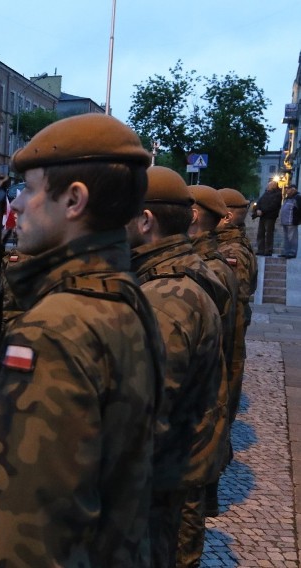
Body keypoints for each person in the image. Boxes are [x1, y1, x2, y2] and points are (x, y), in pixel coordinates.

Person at [0, 113, 164, 567]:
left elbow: (21, 540)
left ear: (74, 200)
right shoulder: (125, 296)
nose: (16, 204)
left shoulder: (53, 331)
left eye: (31, 189)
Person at [125, 167, 225, 567]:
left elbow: (145, 413)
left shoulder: (165, 297)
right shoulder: (172, 278)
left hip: (164, 475)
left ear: (145, 221)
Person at [179, 184, 238, 566]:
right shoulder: (209, 267)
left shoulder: (201, 274)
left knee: (183, 506)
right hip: (199, 417)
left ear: (194, 215)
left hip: (187, 430)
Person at [217, 187, 259, 423]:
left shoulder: (231, 250)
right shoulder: (234, 242)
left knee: (230, 370)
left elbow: (237, 298)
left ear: (227, 217)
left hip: (235, 320)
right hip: (237, 316)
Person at [252, 180, 281, 255]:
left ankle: (268, 250)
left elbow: (273, 206)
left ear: (273, 186)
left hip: (270, 217)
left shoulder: (278, 194)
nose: (267, 186)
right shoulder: (266, 193)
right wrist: (258, 209)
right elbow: (259, 202)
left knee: (269, 234)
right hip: (263, 216)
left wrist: (262, 211)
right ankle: (260, 250)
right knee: (260, 233)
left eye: (269, 185)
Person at [279, 184, 300, 258]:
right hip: (285, 221)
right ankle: (286, 252)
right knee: (286, 238)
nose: (287, 190)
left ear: (293, 189)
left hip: (292, 221)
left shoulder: (298, 197)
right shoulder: (288, 198)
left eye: (288, 189)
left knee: (292, 238)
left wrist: (297, 220)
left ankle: (292, 252)